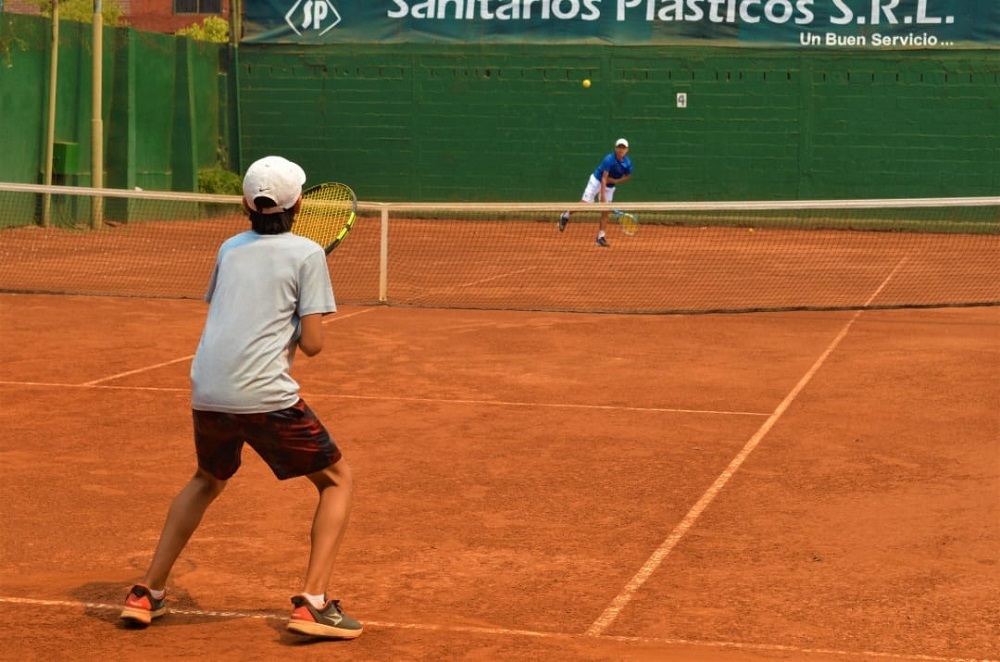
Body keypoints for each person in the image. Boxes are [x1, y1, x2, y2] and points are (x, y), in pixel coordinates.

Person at [119, 156, 362, 640]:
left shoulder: (229, 248)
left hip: (208, 389)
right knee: (337, 480)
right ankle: (314, 603)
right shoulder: (308, 254)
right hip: (265, 394)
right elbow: (313, 345)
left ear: (245, 204)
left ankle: (147, 592)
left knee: (207, 479)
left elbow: (236, 314)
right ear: (299, 205)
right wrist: (298, 317)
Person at [559, 138, 633, 247]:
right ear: (615, 148)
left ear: (627, 150)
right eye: (619, 147)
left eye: (623, 148)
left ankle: (600, 237)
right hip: (597, 181)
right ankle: (565, 215)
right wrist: (602, 196)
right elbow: (604, 178)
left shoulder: (627, 163)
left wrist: (616, 181)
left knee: (605, 211)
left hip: (610, 186)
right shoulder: (609, 159)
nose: (621, 150)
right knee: (584, 203)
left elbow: (628, 176)